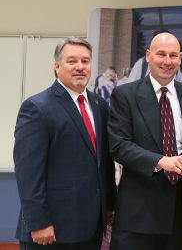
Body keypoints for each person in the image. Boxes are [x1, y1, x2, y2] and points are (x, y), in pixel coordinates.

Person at [13, 37, 116, 249]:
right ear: (57, 66)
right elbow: (28, 172)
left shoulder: (100, 105)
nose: (80, 67)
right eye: (72, 61)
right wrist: (39, 222)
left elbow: (104, 163)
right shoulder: (37, 107)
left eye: (85, 61)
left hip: (91, 228)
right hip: (51, 230)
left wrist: (110, 207)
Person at [107, 32, 182, 250]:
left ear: (180, 58)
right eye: (161, 54)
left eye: (173, 55)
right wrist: (161, 161)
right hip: (137, 212)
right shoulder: (125, 95)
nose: (167, 61)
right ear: (148, 55)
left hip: (178, 212)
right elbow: (119, 146)